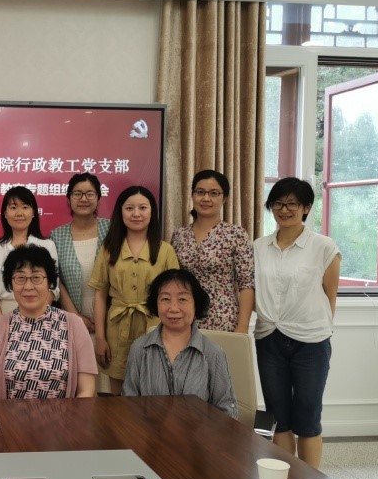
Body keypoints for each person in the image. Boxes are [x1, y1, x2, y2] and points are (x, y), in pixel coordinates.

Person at [254, 177, 341, 469]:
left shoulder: (323, 247)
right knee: (278, 415)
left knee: (307, 416)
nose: (284, 209)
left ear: (306, 207)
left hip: (311, 342)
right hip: (269, 338)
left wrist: (316, 327)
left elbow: (330, 296)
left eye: (292, 203)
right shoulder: (258, 247)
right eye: (278, 203)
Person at [0, 245, 97, 399]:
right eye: (20, 278)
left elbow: (87, 391)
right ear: (10, 284)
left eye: (36, 277)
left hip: (64, 415)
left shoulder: (74, 325)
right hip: (7, 415)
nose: (28, 286)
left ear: (50, 282)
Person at [90, 186, 179, 395]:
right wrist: (100, 338)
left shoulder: (165, 250)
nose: (136, 214)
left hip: (155, 329)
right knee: (118, 395)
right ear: (120, 213)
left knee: (154, 390)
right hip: (117, 331)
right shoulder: (109, 249)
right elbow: (100, 295)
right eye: (129, 208)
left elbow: (175, 296)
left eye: (142, 208)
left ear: (152, 212)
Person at [123, 268, 238, 418]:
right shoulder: (139, 349)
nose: (173, 308)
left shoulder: (213, 353)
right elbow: (129, 405)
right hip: (149, 432)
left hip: (200, 432)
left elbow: (226, 409)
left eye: (182, 299)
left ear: (196, 303)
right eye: (165, 299)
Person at [170, 169, 255, 332]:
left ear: (224, 198)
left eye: (214, 193)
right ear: (192, 195)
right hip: (184, 319)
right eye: (200, 192)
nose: (206, 198)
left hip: (223, 321)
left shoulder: (236, 234)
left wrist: (243, 326)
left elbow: (246, 284)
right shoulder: (179, 235)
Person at [0, 185, 59, 316]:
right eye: (13, 207)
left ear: (33, 212)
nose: (19, 213)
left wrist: (36, 316)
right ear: (5, 213)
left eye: (25, 207)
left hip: (39, 314)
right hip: (1, 313)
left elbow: (53, 287)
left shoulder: (47, 246)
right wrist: (0, 322)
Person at [52, 172, 111, 332]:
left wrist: (103, 321)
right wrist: (75, 317)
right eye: (77, 194)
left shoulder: (112, 229)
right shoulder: (57, 235)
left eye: (90, 194)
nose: (83, 199)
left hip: (112, 319)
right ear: (69, 199)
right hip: (72, 321)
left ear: (98, 199)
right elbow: (56, 280)